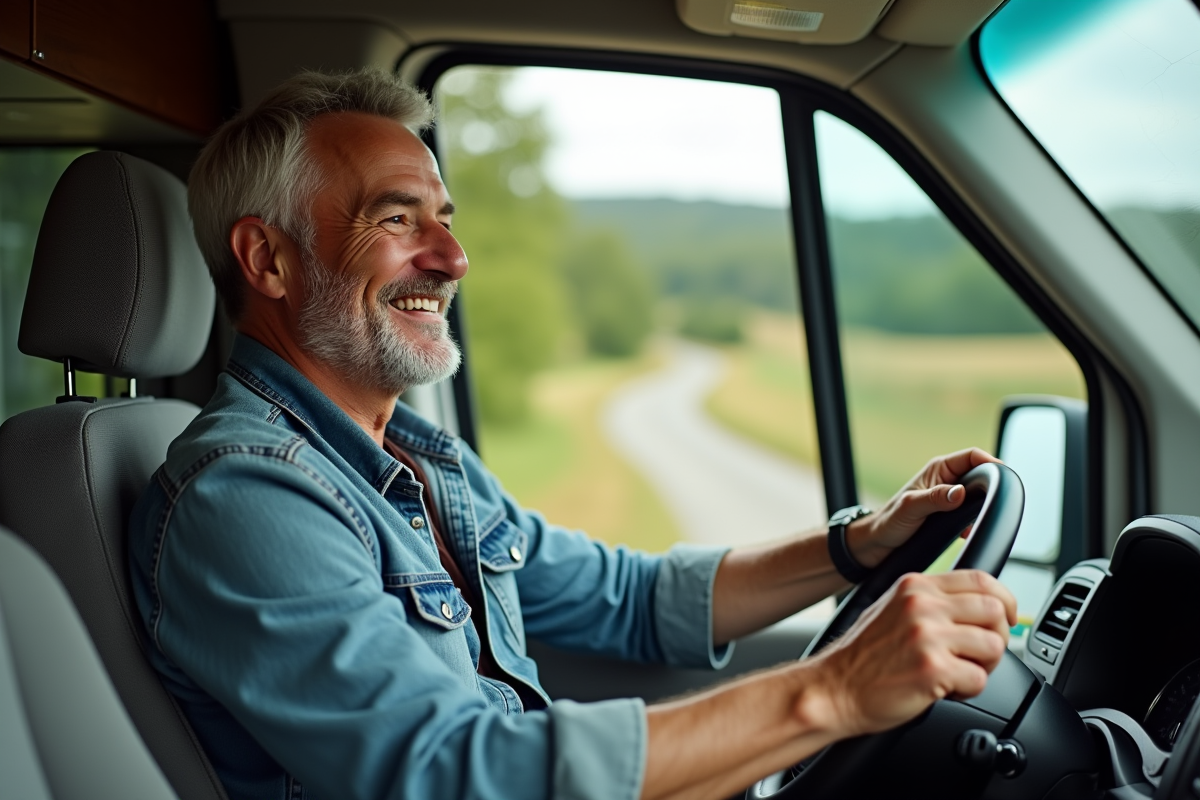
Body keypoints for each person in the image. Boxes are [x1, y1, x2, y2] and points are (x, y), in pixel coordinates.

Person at [128, 68, 1016, 800]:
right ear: (268, 260)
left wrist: (860, 544)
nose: (451, 256)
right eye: (397, 219)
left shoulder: (415, 457)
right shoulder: (243, 495)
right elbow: (447, 775)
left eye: (446, 218)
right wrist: (833, 692)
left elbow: (627, 600)